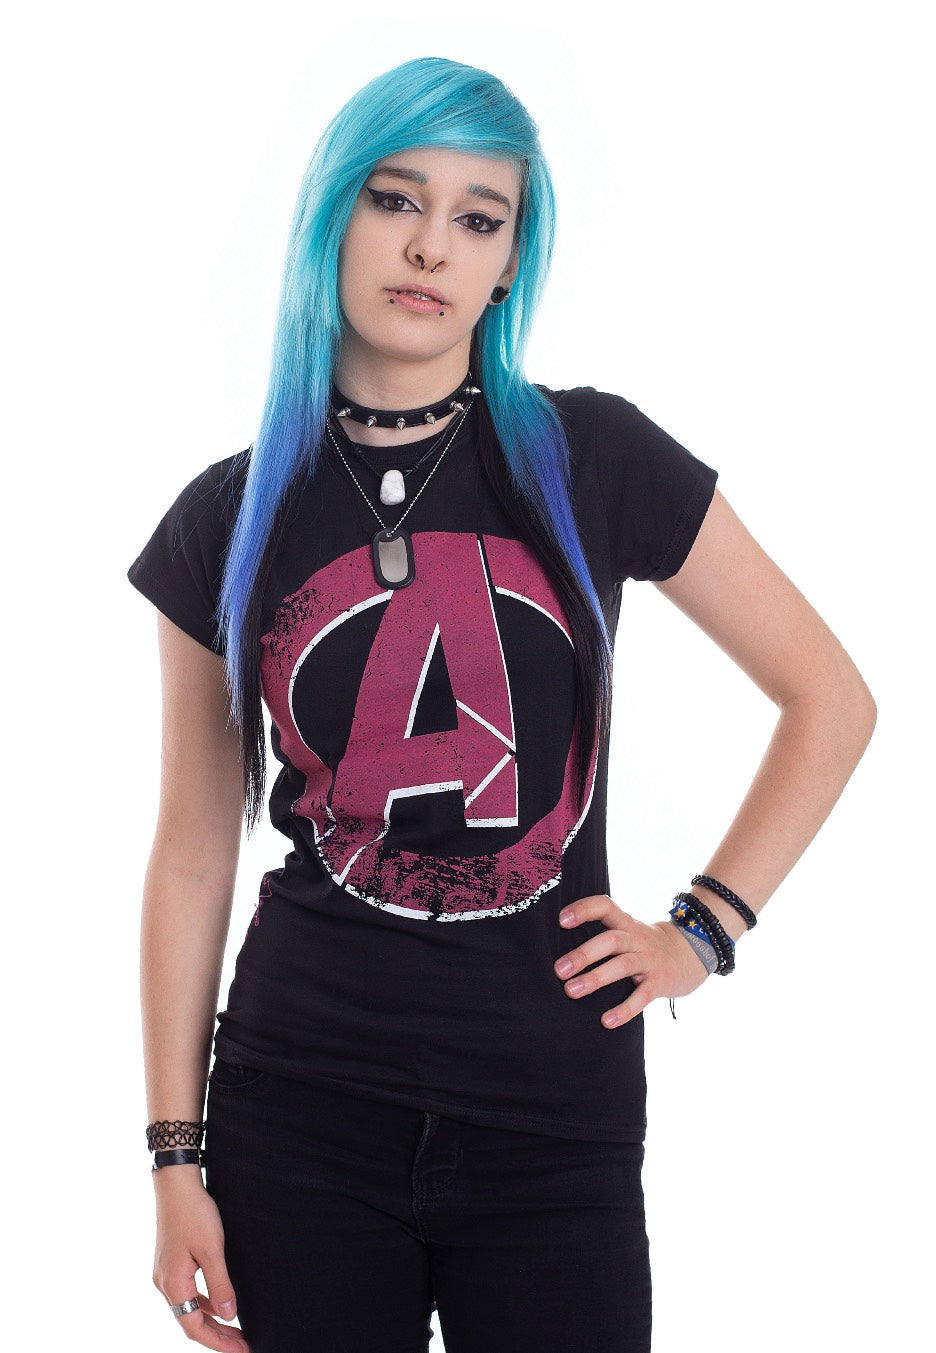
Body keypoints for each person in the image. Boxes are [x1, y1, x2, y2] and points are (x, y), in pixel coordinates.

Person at [128, 56, 876, 1353]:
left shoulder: (592, 458)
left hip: (554, 1120)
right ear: (332, 218)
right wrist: (173, 1156)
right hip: (299, 1109)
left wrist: (704, 930)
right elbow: (193, 850)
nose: (431, 244)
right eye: (395, 199)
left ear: (511, 263)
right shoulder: (227, 515)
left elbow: (830, 698)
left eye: (479, 218)